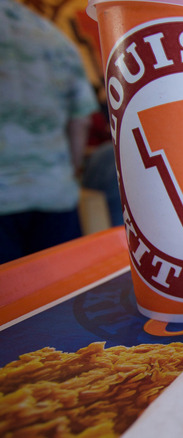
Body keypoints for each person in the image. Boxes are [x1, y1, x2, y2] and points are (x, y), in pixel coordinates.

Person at [0, 0, 98, 264]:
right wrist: (72, 171)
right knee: (56, 293)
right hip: (54, 191)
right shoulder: (51, 36)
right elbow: (81, 120)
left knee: (8, 301)